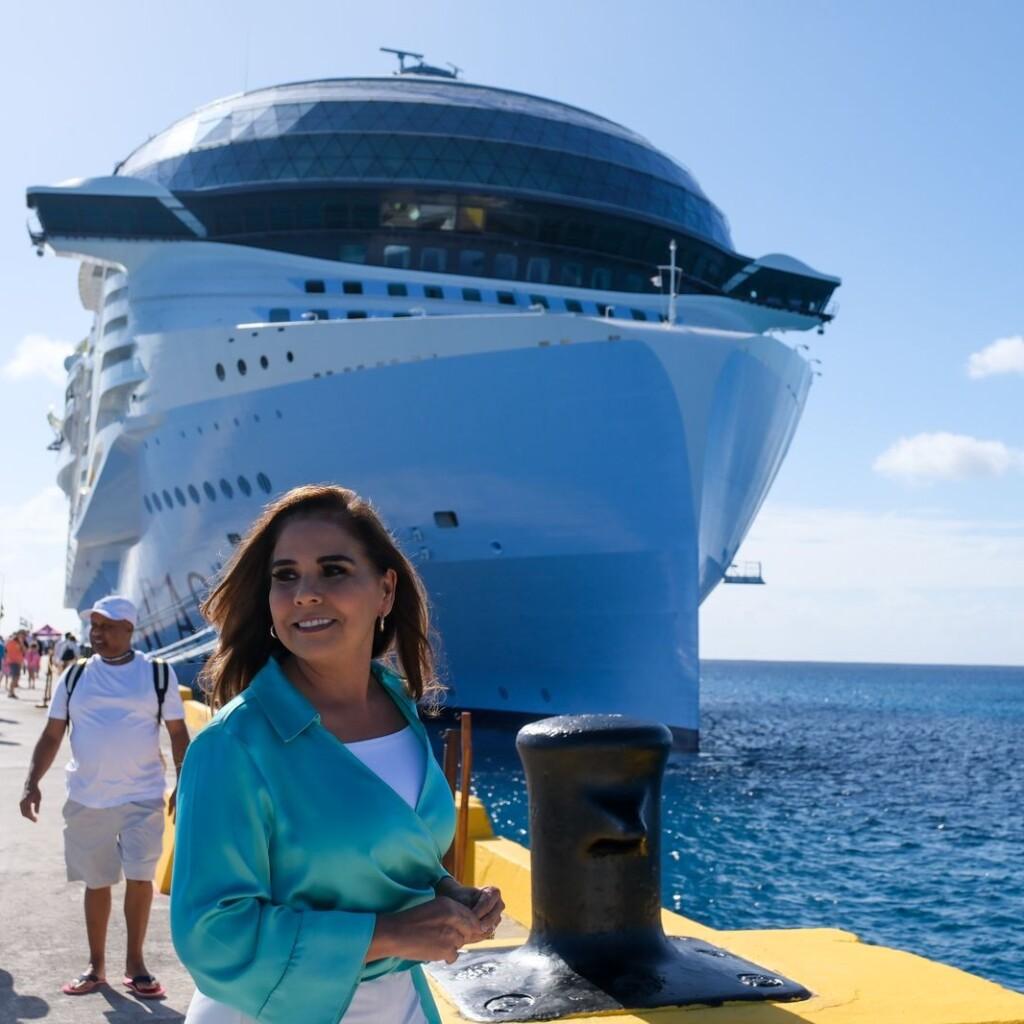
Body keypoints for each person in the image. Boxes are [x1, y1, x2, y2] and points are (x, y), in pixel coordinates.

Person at [172, 485, 503, 1024]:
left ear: (385, 590)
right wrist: (394, 932)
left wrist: (449, 893)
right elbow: (212, 933)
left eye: (333, 570)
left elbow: (386, 855)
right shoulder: (234, 745)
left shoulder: (398, 708)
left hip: (403, 1002)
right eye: (285, 576)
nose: (305, 593)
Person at [19, 596, 191, 1000]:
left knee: (139, 879)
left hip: (143, 796)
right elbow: (52, 734)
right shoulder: (74, 676)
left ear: (130, 629)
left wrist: (184, 785)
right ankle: (96, 966)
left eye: (107, 626)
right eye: (94, 626)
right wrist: (32, 782)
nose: (98, 633)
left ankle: (136, 964)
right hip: (87, 798)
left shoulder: (157, 675)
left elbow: (179, 735)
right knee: (96, 883)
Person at [6, 631, 25, 698]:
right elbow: (7, 650)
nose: (22, 637)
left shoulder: (19, 643)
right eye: (21, 635)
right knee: (14, 678)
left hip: (18, 662)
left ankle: (12, 692)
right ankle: (11, 693)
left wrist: (21, 643)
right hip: (13, 662)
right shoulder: (11, 641)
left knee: (16, 678)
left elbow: (24, 651)